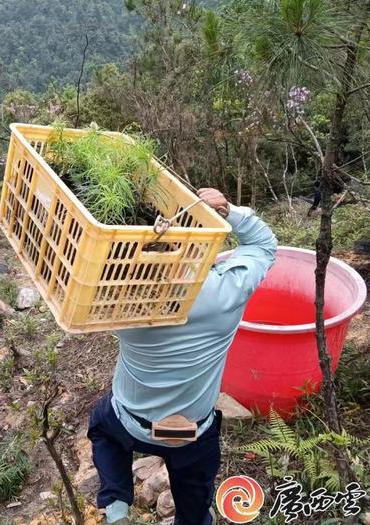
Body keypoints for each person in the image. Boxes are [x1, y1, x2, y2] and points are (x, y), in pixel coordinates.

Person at [88, 188, 277, 525]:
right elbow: (263, 245)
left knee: (101, 427)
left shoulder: (117, 305)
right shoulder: (224, 294)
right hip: (194, 432)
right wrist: (228, 210)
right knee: (195, 505)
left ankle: (116, 503)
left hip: (130, 423)